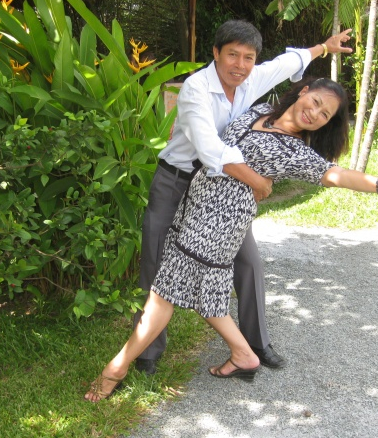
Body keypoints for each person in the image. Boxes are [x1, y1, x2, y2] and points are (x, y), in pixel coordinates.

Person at [84, 77, 378, 402]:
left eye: (324, 115)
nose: (314, 114)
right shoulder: (262, 109)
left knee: (163, 296)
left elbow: (336, 174)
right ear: (303, 91)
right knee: (204, 295)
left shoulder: (295, 152)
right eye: (315, 102)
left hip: (218, 224)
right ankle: (243, 355)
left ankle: (116, 368)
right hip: (194, 208)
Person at [134, 20, 354, 375]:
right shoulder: (196, 88)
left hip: (224, 191)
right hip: (178, 180)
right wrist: (259, 183)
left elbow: (285, 63)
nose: (240, 65)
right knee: (155, 260)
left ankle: (255, 343)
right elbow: (210, 149)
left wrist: (323, 48)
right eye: (232, 55)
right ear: (216, 53)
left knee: (249, 262)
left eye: (248, 57)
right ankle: (147, 353)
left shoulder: (250, 79)